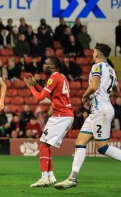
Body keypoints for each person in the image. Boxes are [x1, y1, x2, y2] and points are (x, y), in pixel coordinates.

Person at [55, 43, 121, 189]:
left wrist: (85, 96)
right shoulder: (112, 70)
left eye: (93, 52)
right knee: (80, 142)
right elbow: (116, 89)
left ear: (97, 54)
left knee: (102, 148)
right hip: (97, 111)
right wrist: (105, 93)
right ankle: (72, 178)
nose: (92, 54)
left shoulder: (97, 67)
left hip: (100, 111)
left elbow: (94, 86)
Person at [24, 56, 74, 187]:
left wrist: (30, 87)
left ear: (53, 66)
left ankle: (44, 177)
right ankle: (51, 176)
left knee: (43, 145)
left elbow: (40, 98)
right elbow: (51, 95)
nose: (43, 65)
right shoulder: (61, 77)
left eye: (46, 63)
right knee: (46, 143)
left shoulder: (54, 77)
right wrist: (35, 84)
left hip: (61, 115)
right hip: (64, 115)